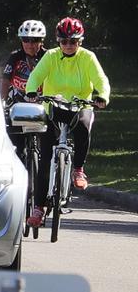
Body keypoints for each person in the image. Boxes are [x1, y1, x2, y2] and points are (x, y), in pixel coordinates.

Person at [24, 17, 110, 227]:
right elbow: (35, 77)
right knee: (45, 159)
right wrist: (32, 91)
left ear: (80, 41)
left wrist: (102, 96)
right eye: (64, 41)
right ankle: (38, 208)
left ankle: (78, 169)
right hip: (54, 107)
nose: (69, 46)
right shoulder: (51, 56)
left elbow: (101, 80)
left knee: (82, 126)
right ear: (58, 41)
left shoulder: (88, 58)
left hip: (80, 106)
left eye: (73, 41)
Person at [0, 20, 47, 101]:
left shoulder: (48, 56)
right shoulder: (15, 57)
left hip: (42, 104)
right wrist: (0, 102)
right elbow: (5, 81)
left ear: (41, 41)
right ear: (21, 41)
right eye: (25, 39)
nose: (30, 44)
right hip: (17, 103)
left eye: (35, 40)